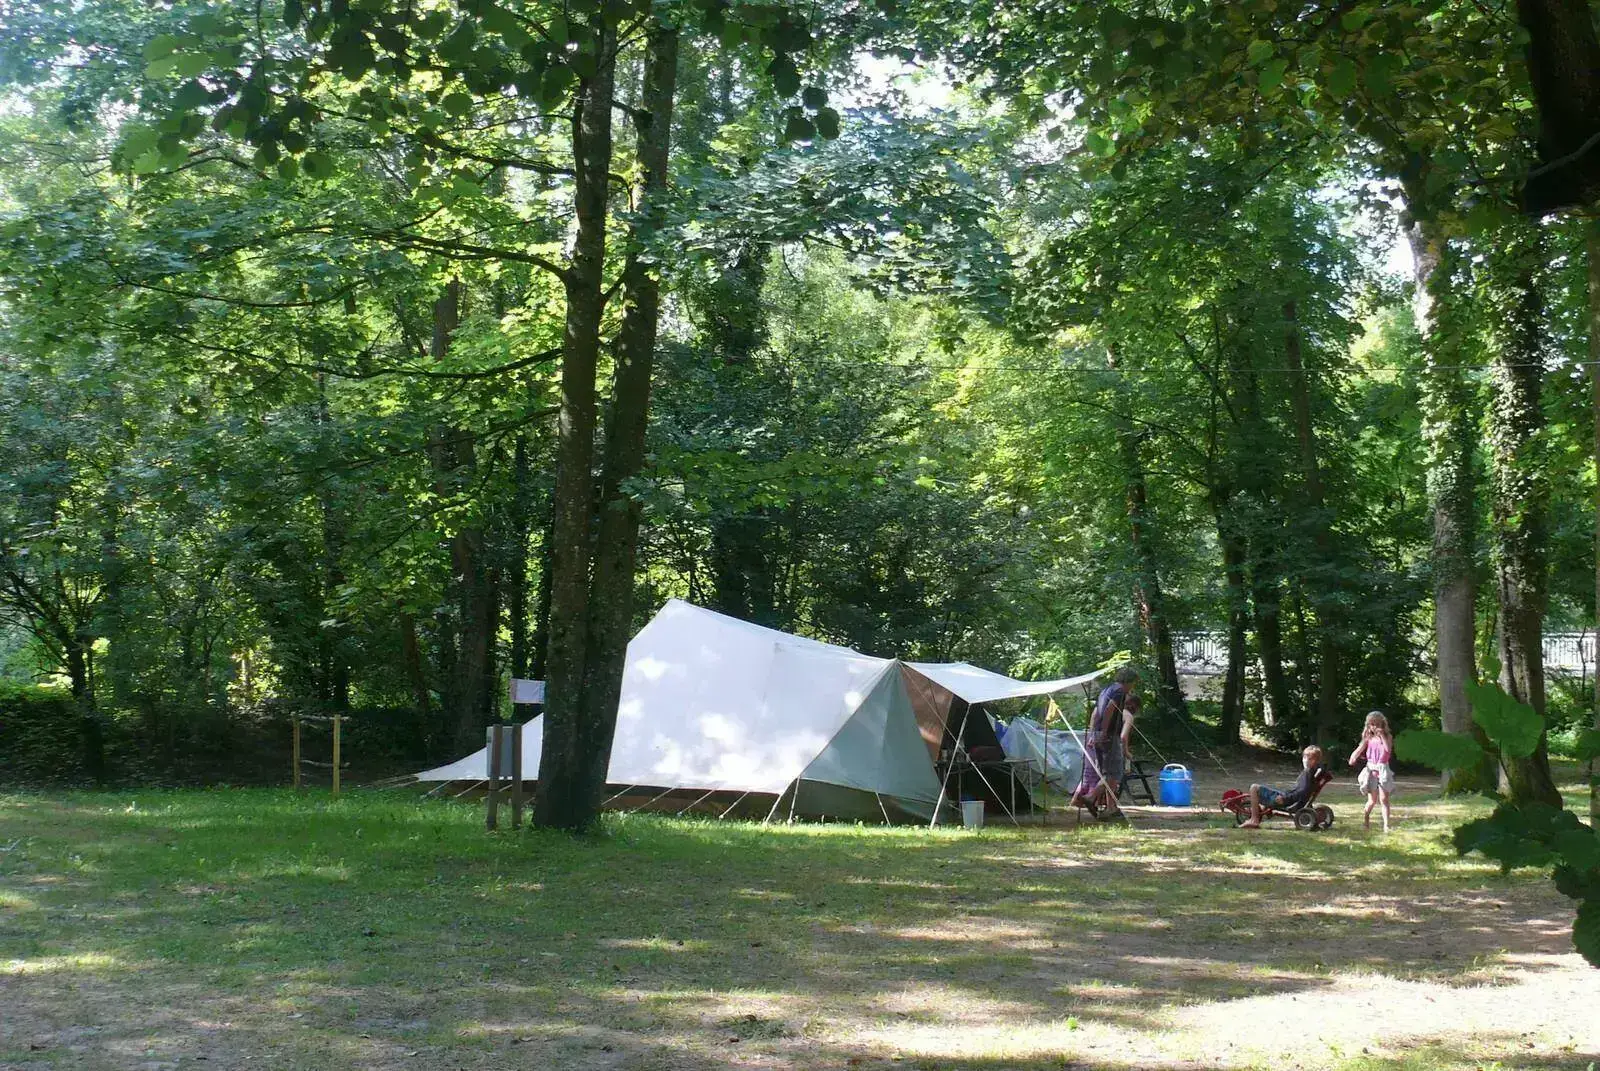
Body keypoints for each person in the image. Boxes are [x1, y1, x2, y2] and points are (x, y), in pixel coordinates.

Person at [1071, 667, 1138, 819]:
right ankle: (1093, 799)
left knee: (1106, 771)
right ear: (1129, 681)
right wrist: (1105, 731)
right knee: (1115, 772)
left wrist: (1093, 733)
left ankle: (1110, 807)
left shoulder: (1106, 690)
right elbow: (1109, 709)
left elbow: (1095, 713)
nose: (1132, 687)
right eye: (1133, 683)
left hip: (1097, 734)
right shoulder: (1119, 691)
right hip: (1109, 736)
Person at [1238, 745, 1327, 829]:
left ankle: (1254, 820)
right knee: (1270, 789)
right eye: (1304, 757)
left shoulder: (1308, 773)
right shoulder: (1314, 772)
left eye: (1309, 758)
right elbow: (1303, 790)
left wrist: (1285, 798)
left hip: (1286, 801)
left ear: (1315, 761)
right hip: (1289, 798)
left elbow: (1302, 791)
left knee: (1254, 788)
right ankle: (1261, 810)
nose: (1305, 760)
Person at [1348, 710, 1395, 832]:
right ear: (1368, 725)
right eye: (1372, 724)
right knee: (1372, 801)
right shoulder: (1368, 738)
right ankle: (1366, 820)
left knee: (1384, 799)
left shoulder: (1388, 736)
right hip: (1371, 770)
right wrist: (1353, 757)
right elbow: (1359, 749)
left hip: (1382, 769)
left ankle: (1386, 825)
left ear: (1382, 724)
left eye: (1377, 724)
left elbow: (1387, 750)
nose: (1375, 727)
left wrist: (1382, 736)